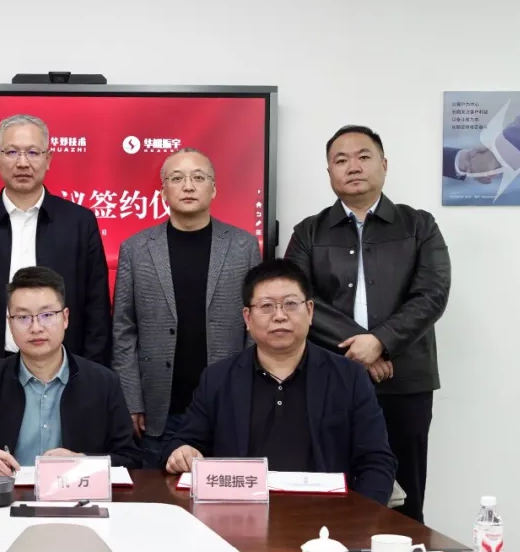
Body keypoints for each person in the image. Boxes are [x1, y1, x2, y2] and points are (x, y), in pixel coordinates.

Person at [284, 125, 451, 522]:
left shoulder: (419, 225)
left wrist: (381, 342)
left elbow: (432, 293)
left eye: (363, 156)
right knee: (326, 488)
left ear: (384, 165)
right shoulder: (309, 231)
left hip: (404, 379)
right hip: (330, 377)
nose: (353, 166)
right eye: (341, 160)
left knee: (405, 493)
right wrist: (361, 345)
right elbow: (297, 297)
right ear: (329, 172)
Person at [163, 259, 396, 505]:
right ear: (247, 318)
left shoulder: (349, 377)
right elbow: (183, 442)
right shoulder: (218, 378)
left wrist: (357, 518)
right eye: (266, 306)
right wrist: (181, 453)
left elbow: (377, 462)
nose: (280, 316)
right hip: (238, 515)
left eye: (290, 304)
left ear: (310, 311)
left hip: (325, 518)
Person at [0, 115, 111, 397]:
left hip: (67, 376)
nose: (22, 162)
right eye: (11, 152)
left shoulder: (80, 223)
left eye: (33, 152)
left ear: (48, 158)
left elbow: (98, 309)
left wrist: (90, 377)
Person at [112, 148, 261, 468]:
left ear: (214, 188)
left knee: (225, 494)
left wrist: (249, 391)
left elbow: (254, 329)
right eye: (177, 178)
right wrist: (131, 399)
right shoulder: (136, 249)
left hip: (227, 403)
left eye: (199, 177)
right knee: (155, 495)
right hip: (158, 409)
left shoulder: (244, 246)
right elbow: (123, 330)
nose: (188, 186)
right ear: (163, 190)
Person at [0, 266, 141, 475]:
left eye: (47, 315)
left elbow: (130, 458)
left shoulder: (103, 382)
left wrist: (83, 462)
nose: (36, 327)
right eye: (23, 317)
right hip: (6, 497)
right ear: (9, 324)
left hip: (77, 496)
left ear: (65, 318)